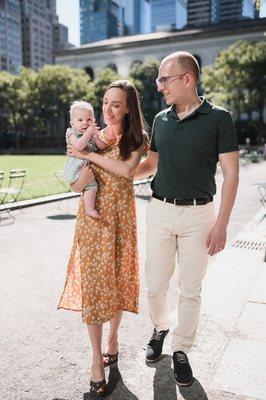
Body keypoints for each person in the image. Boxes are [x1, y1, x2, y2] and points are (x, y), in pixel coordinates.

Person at [134, 51, 239, 387]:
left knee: (191, 289)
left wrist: (221, 224)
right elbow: (151, 164)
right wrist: (119, 175)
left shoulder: (220, 118)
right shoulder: (162, 120)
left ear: (187, 79)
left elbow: (231, 174)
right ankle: (161, 326)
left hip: (200, 214)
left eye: (165, 79)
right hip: (160, 209)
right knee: (155, 284)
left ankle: (180, 349)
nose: (159, 86)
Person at [58, 80, 147, 396]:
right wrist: (79, 175)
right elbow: (74, 183)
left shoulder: (137, 139)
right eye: (106, 102)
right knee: (95, 287)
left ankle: (113, 338)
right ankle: (96, 358)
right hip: (93, 224)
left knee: (118, 282)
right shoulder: (90, 138)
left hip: (121, 220)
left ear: (127, 109)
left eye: (116, 104)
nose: (108, 109)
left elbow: (125, 171)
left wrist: (89, 156)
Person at [63, 100, 108, 219]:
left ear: (94, 120)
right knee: (91, 185)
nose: (85, 123)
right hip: (75, 170)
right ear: (72, 123)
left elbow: (102, 146)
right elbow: (78, 146)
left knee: (92, 186)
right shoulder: (71, 133)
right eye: (80, 120)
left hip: (85, 169)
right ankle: (90, 209)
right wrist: (88, 133)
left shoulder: (92, 134)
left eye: (89, 120)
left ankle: (89, 209)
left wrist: (97, 138)